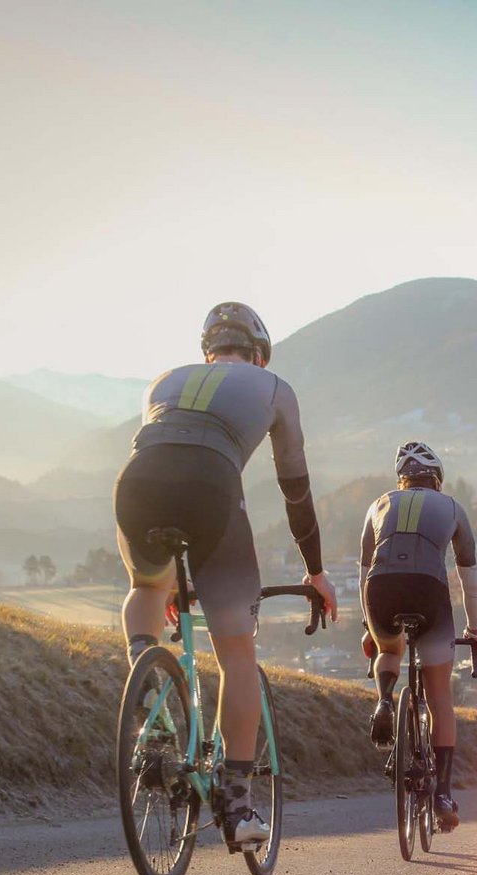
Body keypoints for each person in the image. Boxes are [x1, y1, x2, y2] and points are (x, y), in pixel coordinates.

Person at [113, 301, 337, 847]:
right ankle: (236, 806)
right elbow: (295, 489)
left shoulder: (163, 380)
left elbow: (168, 455)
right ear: (258, 355)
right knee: (237, 653)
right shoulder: (274, 388)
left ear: (208, 351)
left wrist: (176, 578)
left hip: (137, 482)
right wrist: (315, 571)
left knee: (146, 586)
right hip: (211, 486)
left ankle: (149, 691)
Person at [358, 441, 477, 829]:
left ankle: (384, 700)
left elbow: (363, 574)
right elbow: (469, 579)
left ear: (402, 480)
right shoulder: (452, 508)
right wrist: (475, 630)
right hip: (428, 589)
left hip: (380, 590)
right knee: (439, 695)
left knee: (389, 649)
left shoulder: (378, 504)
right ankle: (443, 794)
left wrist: (369, 628)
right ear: (437, 480)